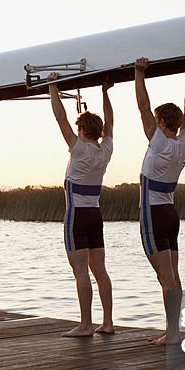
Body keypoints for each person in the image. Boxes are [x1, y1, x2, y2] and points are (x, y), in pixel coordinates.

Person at [134, 57, 185, 345]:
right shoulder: (184, 144)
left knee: (165, 277)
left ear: (161, 123)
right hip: (170, 214)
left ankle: (173, 332)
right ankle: (176, 328)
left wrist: (139, 74)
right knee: (173, 274)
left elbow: (142, 107)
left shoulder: (158, 142)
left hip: (153, 215)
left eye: (156, 120)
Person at [47, 72, 116, 337]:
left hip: (76, 217)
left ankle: (86, 324)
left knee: (80, 272)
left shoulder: (77, 148)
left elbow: (60, 118)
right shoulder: (105, 150)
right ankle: (107, 322)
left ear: (81, 131)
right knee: (100, 270)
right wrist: (105, 92)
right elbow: (111, 123)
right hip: (95, 216)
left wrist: (53, 87)